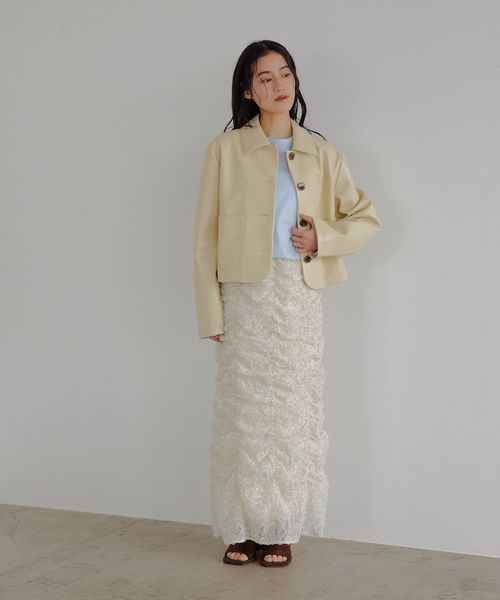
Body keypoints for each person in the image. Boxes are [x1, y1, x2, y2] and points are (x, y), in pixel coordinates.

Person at [193, 39, 382, 568]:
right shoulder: (224, 150)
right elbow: (205, 238)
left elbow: (365, 219)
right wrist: (210, 309)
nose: (278, 85)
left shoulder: (324, 153)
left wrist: (322, 237)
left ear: (295, 81)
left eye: (285, 74)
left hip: (296, 297)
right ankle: (243, 528)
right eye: (265, 78)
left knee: (291, 414)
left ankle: (280, 529)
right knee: (244, 415)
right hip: (244, 296)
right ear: (247, 91)